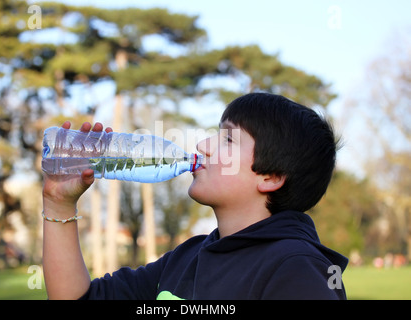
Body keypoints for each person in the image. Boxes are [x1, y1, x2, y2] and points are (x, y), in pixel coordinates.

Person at [42, 92, 348, 300]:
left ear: (271, 177)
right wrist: (59, 201)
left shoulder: (297, 269)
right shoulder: (188, 257)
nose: (204, 145)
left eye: (228, 138)